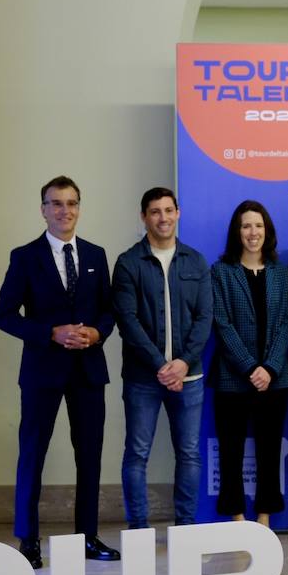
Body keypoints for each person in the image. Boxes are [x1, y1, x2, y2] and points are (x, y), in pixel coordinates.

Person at [0, 175, 121, 569]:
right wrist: (50, 332)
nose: (65, 211)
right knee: (32, 454)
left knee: (90, 456)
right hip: (41, 372)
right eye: (56, 203)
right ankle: (28, 541)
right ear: (43, 209)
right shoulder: (25, 256)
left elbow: (109, 310)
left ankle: (87, 537)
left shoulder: (97, 255)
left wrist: (98, 331)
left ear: (79, 208)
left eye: (71, 203)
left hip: (88, 371)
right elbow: (4, 316)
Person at [112, 186, 212, 530]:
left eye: (168, 210)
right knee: (137, 455)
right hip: (143, 379)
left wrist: (183, 363)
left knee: (189, 455)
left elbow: (204, 319)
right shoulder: (128, 263)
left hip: (191, 377)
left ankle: (185, 528)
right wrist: (161, 366)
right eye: (155, 211)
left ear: (178, 213)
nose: (163, 218)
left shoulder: (196, 261)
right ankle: (138, 528)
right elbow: (128, 322)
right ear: (144, 217)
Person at [209, 200, 288, 526]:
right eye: (246, 226)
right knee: (230, 452)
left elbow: (287, 321)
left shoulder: (280, 272)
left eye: (258, 226)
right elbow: (222, 323)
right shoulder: (222, 272)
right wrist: (249, 367)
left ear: (267, 231)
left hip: (275, 379)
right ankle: (237, 516)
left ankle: (264, 516)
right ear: (237, 232)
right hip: (233, 378)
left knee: (269, 451)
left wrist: (269, 367)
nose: (252, 232)